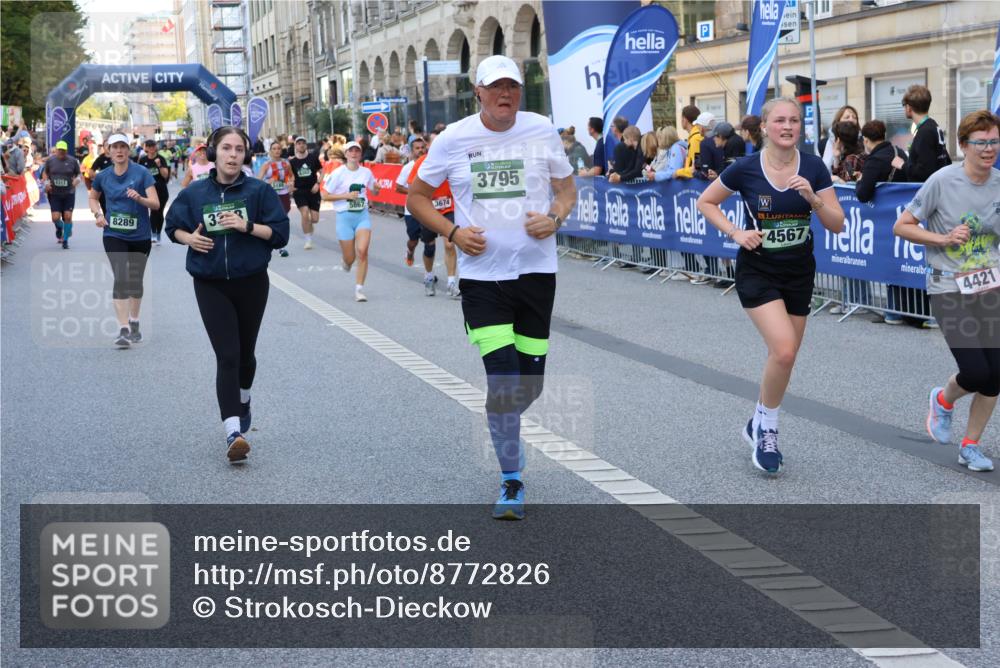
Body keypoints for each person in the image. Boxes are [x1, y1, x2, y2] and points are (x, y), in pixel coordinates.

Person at [407, 54, 577, 520]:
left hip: (536, 275)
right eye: (496, 87)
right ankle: (511, 477)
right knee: (503, 380)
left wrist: (555, 217)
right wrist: (452, 232)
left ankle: (504, 422)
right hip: (483, 279)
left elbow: (566, 190)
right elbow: (417, 197)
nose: (506, 94)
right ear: (477, 91)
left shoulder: (541, 129)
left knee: (529, 386)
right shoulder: (454, 138)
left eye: (513, 86)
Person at [696, 97, 845, 474]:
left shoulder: (813, 166)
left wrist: (812, 198)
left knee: (785, 356)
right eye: (780, 120)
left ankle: (757, 421)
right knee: (783, 350)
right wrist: (736, 232)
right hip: (758, 270)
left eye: (794, 120)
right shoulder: (746, 168)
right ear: (764, 126)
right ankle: (769, 430)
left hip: (799, 271)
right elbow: (706, 202)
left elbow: (837, 224)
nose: (788, 126)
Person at [165, 126, 290, 463]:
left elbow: (280, 234)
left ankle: (244, 398)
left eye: (239, 149)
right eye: (226, 148)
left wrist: (245, 226)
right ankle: (234, 433)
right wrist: (189, 239)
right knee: (228, 355)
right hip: (210, 283)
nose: (233, 155)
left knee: (246, 355)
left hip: (251, 281)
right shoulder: (195, 193)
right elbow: (172, 227)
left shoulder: (259, 191)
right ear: (213, 152)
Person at [892, 109, 1000, 473]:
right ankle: (942, 399)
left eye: (994, 142)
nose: (989, 149)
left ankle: (970, 446)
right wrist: (944, 238)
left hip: (990, 287)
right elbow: (902, 226)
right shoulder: (941, 181)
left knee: (995, 375)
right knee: (976, 372)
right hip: (948, 287)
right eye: (981, 143)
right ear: (964, 145)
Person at [88, 133, 160, 348]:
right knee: (121, 277)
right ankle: (123, 329)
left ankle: (134, 320)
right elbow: (93, 197)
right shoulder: (103, 176)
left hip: (140, 235)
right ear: (108, 151)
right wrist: (98, 214)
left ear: (129, 150)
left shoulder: (142, 173)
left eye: (123, 147)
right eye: (115, 147)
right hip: (113, 233)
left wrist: (140, 198)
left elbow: (155, 204)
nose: (119, 151)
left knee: (135, 280)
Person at [396, 135, 461, 298]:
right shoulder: (422, 162)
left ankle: (451, 283)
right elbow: (412, 187)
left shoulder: (454, 159)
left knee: (450, 244)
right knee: (429, 246)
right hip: (429, 210)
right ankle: (429, 276)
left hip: (448, 207)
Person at [320, 141, 380, 302]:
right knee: (350, 258)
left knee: (362, 251)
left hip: (362, 215)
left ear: (360, 154)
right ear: (346, 154)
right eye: (351, 151)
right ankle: (346, 262)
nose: (354, 154)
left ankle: (359, 289)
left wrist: (376, 189)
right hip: (344, 217)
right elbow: (324, 195)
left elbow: (374, 190)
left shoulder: (366, 172)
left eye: (357, 151)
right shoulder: (338, 173)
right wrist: (345, 196)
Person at [900, 85, 951, 183]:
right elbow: (946, 160)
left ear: (909, 108)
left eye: (904, 105)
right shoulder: (933, 126)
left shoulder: (925, 132)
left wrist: (902, 165)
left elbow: (924, 172)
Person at [41, 140, 81, 249]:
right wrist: (46, 183)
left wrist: (77, 180)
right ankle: (61, 227)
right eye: (59, 150)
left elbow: (79, 174)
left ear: (66, 151)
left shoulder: (73, 161)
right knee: (55, 218)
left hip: (69, 192)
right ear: (57, 150)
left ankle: (65, 240)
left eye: (63, 150)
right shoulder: (50, 161)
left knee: (68, 216)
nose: (61, 152)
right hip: (54, 193)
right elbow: (45, 173)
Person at [289, 136, 322, 249]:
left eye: (303, 143)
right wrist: (290, 185)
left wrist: (318, 183)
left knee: (315, 219)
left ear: (306, 145)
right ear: (295, 146)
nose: (301, 145)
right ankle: (308, 240)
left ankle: (309, 224)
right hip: (299, 191)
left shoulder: (313, 158)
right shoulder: (292, 162)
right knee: (305, 213)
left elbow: (322, 171)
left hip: (313, 190)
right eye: (299, 143)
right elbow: (289, 176)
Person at [138, 139, 171, 244]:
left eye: (153, 146)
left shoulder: (161, 158)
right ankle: (153, 233)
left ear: (156, 147)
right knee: (153, 211)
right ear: (146, 148)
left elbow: (165, 175)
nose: (151, 148)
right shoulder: (143, 160)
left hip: (161, 190)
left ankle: (158, 233)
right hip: (149, 191)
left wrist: (159, 165)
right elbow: (139, 175)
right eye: (149, 146)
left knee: (159, 212)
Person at [820, 105, 861, 173]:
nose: (851, 120)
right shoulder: (830, 142)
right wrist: (836, 158)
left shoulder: (862, 140)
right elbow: (826, 169)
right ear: (838, 121)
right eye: (847, 117)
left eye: (854, 117)